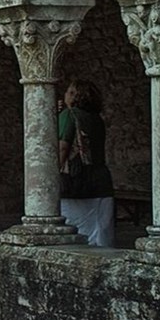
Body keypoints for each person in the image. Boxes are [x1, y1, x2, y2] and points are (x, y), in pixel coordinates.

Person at [58, 79, 116, 247]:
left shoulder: (69, 115)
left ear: (76, 96)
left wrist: (53, 175)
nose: (65, 95)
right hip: (101, 182)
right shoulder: (97, 119)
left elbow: (63, 148)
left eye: (69, 92)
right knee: (102, 234)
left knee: (77, 237)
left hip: (77, 182)